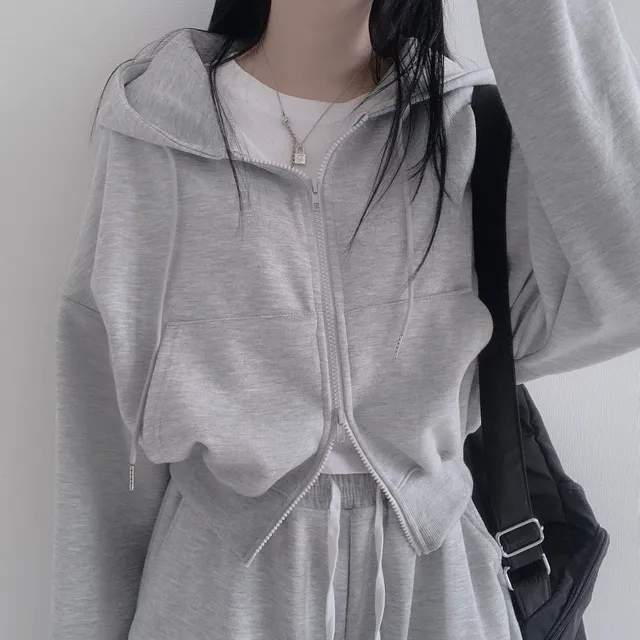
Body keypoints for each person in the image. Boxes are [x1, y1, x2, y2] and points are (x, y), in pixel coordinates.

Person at [49, 0, 640, 639]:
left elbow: (627, 278)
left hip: (437, 591)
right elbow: (101, 440)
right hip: (218, 595)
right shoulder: (154, 132)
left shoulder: (467, 130)